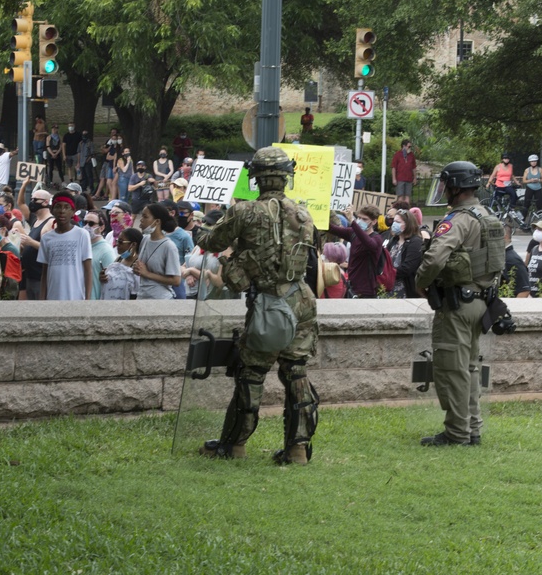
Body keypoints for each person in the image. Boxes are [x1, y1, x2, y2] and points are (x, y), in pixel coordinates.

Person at [195, 146, 319, 464]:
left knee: (251, 373)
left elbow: (213, 242)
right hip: (302, 301)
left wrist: (199, 230)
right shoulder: (304, 214)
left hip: (268, 303)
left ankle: (234, 445)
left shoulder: (245, 212)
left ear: (257, 179)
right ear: (285, 177)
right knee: (296, 371)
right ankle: (298, 449)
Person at [415, 161, 504, 446]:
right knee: (469, 368)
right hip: (481, 303)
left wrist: (421, 281)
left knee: (451, 368)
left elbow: (436, 255)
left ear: (454, 187)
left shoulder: (458, 219)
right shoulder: (487, 216)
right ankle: (472, 428)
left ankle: (456, 432)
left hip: (457, 305)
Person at [38, 191, 93, 301]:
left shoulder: (82, 235)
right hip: (52, 297)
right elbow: (44, 273)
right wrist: (42, 299)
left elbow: (88, 270)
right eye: (58, 207)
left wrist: (87, 300)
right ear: (52, 210)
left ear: (73, 211)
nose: (62, 211)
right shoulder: (46, 238)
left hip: (76, 297)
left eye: (67, 207)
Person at [326, 204, 384, 298]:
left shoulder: (377, 239)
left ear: (374, 221)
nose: (360, 221)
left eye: (364, 219)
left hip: (366, 290)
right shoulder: (353, 233)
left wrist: (353, 221)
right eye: (359, 218)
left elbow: (368, 243)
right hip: (351, 286)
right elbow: (331, 228)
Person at [134, 203, 182, 299]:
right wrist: (137, 268)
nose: (141, 220)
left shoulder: (169, 246)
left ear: (157, 222)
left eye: (145, 216)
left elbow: (176, 280)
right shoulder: (145, 239)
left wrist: (147, 274)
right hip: (142, 297)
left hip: (160, 300)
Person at [16, 183, 54, 300]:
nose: (32, 202)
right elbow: (21, 203)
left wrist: (30, 242)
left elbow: (50, 249)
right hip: (29, 274)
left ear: (45, 202)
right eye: (31, 199)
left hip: (40, 276)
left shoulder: (50, 222)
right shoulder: (35, 219)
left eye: (35, 199)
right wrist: (24, 185)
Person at [386, 209, 423, 298]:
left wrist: (388, 273)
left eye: (398, 222)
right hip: (389, 288)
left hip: (406, 290)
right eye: (394, 221)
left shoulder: (415, 242)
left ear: (408, 224)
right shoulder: (394, 240)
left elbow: (408, 268)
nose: (394, 224)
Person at [101, 227, 142, 300]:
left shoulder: (138, 265)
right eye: (117, 241)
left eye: (120, 242)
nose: (117, 244)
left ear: (133, 244)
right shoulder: (118, 260)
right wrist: (103, 278)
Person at [85, 210, 116, 300]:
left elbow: (111, 283)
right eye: (85, 222)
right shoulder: (82, 246)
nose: (87, 226)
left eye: (91, 223)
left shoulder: (106, 251)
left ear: (101, 228)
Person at [502, 224, 531, 298]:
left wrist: (513, 308)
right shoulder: (503, 256)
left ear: (505, 237)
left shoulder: (513, 260)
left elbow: (524, 290)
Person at [391, 140, 418, 205]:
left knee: (407, 196)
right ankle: (400, 209)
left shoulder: (411, 155)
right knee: (400, 196)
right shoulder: (397, 154)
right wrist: (394, 178)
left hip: (409, 178)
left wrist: (414, 178)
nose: (410, 148)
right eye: (409, 146)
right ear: (404, 146)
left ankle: (406, 210)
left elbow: (414, 167)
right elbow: (393, 167)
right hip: (400, 178)